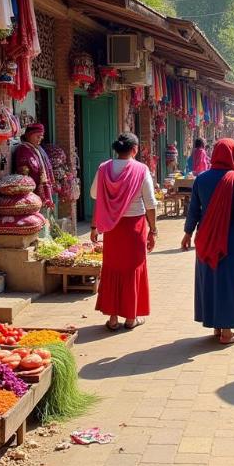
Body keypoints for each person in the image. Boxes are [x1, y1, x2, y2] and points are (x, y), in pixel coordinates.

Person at [181, 138, 234, 345]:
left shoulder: (201, 179)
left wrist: (187, 233)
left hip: (205, 237)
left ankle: (216, 325)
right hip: (230, 240)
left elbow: (193, 210)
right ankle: (227, 332)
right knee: (230, 282)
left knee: (211, 280)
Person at [90, 132, 158, 331]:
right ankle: (130, 318)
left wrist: (94, 226)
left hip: (112, 227)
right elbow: (150, 203)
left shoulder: (104, 168)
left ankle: (112, 319)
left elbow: (95, 194)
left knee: (112, 268)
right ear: (134, 149)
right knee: (133, 269)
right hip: (135, 227)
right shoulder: (141, 169)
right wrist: (153, 230)